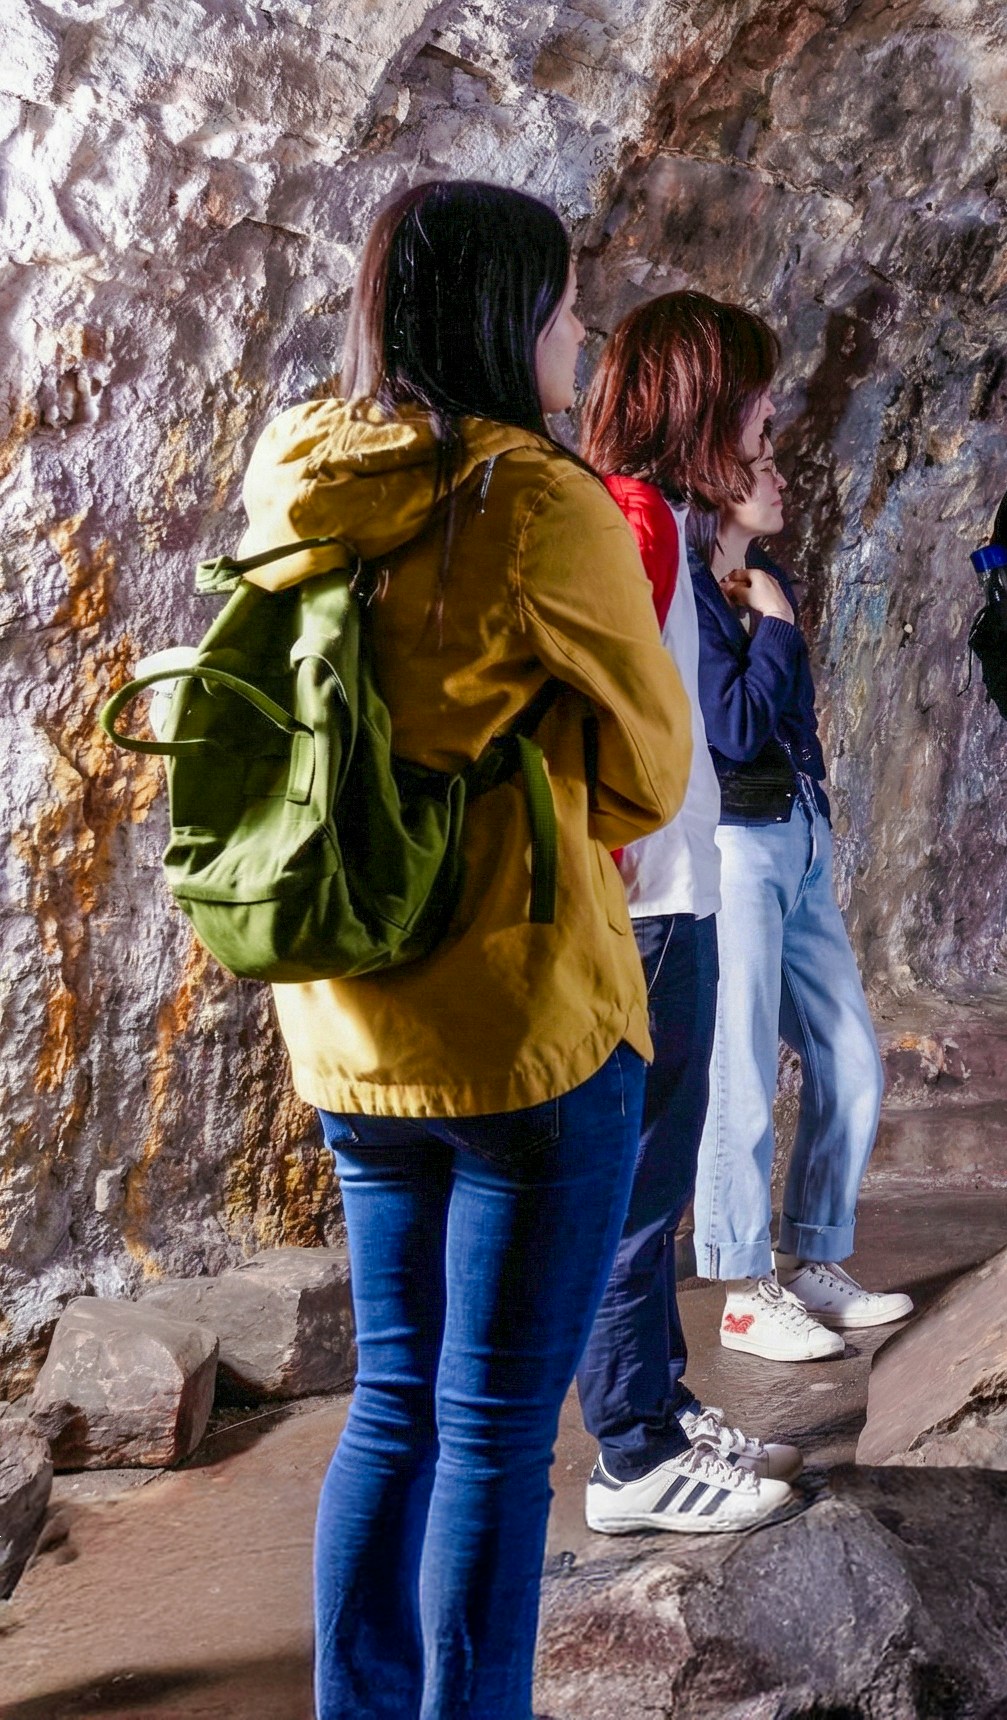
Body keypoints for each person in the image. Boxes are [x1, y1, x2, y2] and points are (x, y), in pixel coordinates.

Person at [246, 181, 691, 1716]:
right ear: (511, 321)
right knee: (496, 1427)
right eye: (566, 308)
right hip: (522, 1026)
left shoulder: (295, 471)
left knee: (391, 1407)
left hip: (352, 1027)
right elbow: (650, 769)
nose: (581, 338)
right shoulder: (535, 500)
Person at [573, 292, 807, 1533]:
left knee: (649, 1187)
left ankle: (654, 1412)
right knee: (632, 1194)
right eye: (758, 395)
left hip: (675, 893)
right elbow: (613, 711)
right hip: (651, 900)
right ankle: (631, 1458)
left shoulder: (662, 522)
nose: (772, 415)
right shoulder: (634, 520)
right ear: (708, 399)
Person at [691, 317, 914, 1357]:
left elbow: (786, 728)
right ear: (714, 468)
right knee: (738, 1070)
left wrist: (819, 810)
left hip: (799, 835)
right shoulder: (694, 586)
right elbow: (731, 727)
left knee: (850, 1054)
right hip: (737, 846)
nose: (779, 473)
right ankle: (743, 1290)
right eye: (763, 458)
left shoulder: (760, 572)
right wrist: (775, 624)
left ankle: (815, 1257)